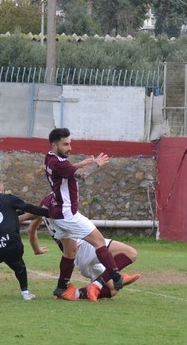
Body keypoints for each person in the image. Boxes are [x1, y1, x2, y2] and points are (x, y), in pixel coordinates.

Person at [44, 127, 126, 302]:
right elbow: (82, 176)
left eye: (70, 143)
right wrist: (97, 164)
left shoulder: (50, 158)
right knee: (99, 241)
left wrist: (80, 164)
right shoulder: (59, 163)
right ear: (54, 145)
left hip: (58, 215)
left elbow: (66, 171)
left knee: (69, 252)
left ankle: (61, 287)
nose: (70, 148)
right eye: (65, 144)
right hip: (68, 214)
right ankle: (115, 276)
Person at [27, 209, 142, 301]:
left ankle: (76, 293)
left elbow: (31, 229)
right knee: (130, 253)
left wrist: (36, 249)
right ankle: (101, 282)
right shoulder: (58, 203)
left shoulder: (44, 209)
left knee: (113, 289)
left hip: (78, 259)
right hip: (86, 246)